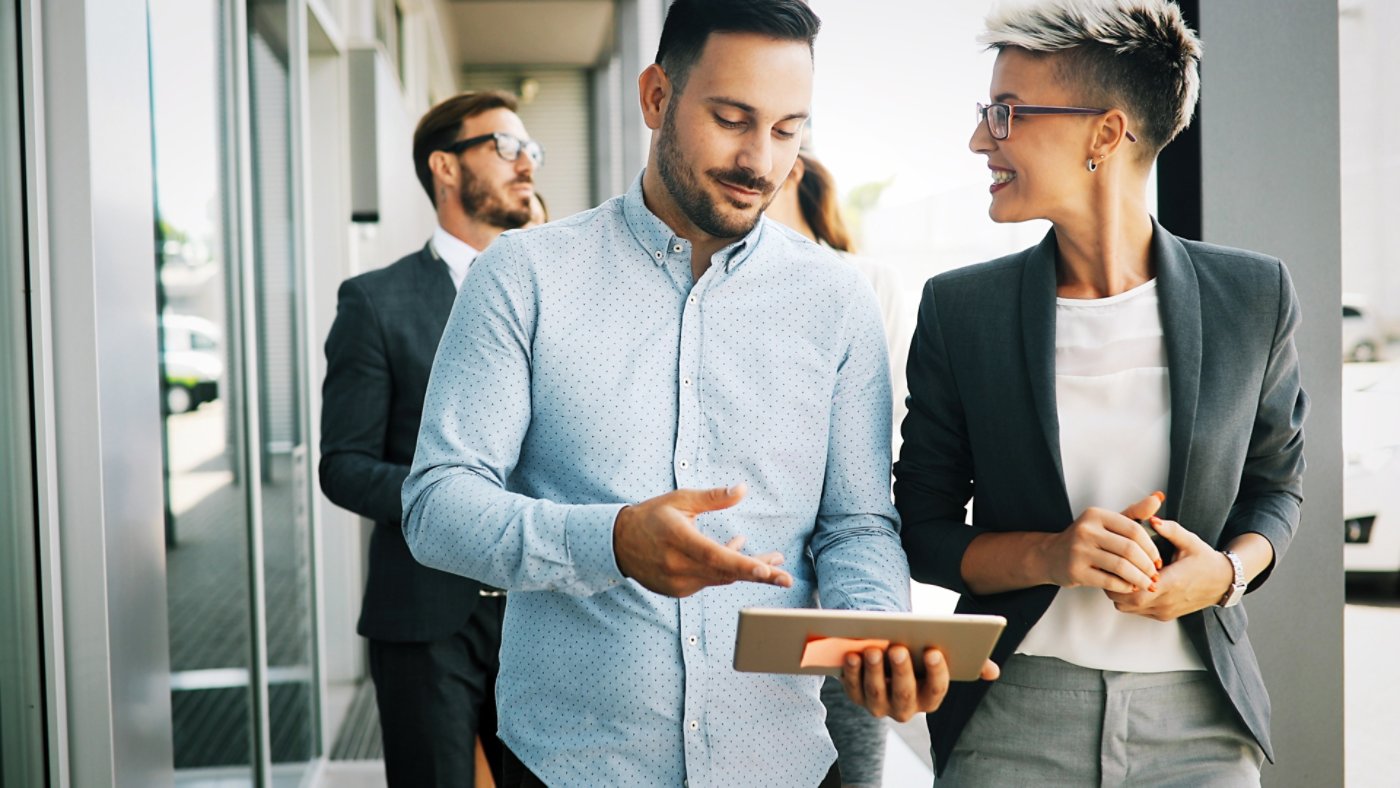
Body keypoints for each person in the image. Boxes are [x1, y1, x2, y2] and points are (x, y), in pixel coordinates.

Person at [402, 1, 993, 785]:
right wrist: (610, 541)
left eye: (788, 130)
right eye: (731, 118)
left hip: (780, 763)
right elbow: (437, 504)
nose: (760, 159)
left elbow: (856, 523)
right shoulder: (523, 276)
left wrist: (876, 631)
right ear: (655, 98)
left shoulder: (837, 301)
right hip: (569, 766)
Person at [895, 1, 1307, 784]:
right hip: (1012, 715)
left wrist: (1222, 574)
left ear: (1106, 134)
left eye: (1006, 112)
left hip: (1202, 726)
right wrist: (1050, 554)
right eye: (986, 113)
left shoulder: (1253, 295)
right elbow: (923, 529)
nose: (981, 137)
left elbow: (1277, 491)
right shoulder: (961, 310)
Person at [319, 89, 543, 787]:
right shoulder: (374, 300)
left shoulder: (553, 293)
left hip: (543, 610)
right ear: (445, 167)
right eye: (506, 147)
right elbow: (344, 465)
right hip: (423, 616)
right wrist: (451, 498)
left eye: (531, 150)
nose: (526, 164)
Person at [766, 149, 912, 788]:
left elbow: (888, 436)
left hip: (846, 578)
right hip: (760, 584)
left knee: (852, 761)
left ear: (795, 166)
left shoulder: (866, 283)